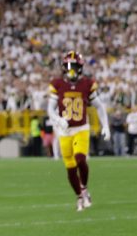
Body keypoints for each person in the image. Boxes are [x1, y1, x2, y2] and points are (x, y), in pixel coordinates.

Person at [47, 51, 110, 211]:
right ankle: (80, 196)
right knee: (70, 167)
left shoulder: (87, 84)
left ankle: (85, 187)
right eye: (68, 66)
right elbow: (50, 109)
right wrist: (58, 119)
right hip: (64, 131)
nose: (71, 70)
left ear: (80, 68)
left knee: (80, 159)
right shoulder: (57, 84)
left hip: (81, 128)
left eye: (74, 66)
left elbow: (99, 106)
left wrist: (106, 125)